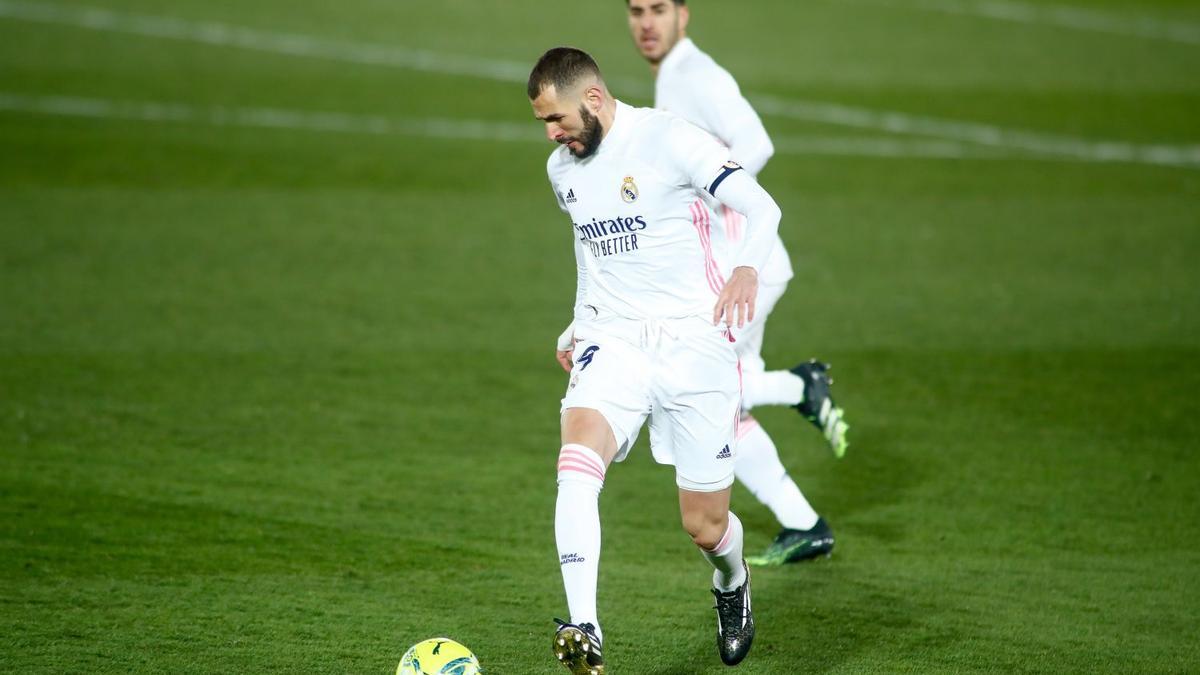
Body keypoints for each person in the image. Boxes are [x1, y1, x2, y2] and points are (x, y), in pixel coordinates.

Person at [529, 46, 783, 672]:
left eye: (556, 118)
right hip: (612, 340)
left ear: (592, 98)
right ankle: (584, 626)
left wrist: (746, 266)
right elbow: (595, 260)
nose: (552, 133)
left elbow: (762, 206)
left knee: (704, 524)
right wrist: (577, 324)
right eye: (543, 124)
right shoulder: (563, 171)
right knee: (576, 465)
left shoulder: (669, 138)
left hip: (694, 344)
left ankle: (730, 582)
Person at [623, 0, 849, 567]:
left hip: (745, 267)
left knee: (696, 389)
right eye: (635, 11)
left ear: (683, 14)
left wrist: (702, 190)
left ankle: (801, 387)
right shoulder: (675, 76)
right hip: (729, 267)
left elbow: (757, 143)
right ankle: (804, 523)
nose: (646, 23)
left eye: (657, 10)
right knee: (723, 408)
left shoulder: (697, 75)